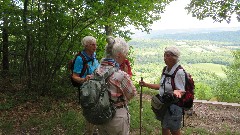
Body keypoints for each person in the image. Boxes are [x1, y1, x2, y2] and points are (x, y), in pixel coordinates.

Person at [139, 46, 185, 135]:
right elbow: (161, 86)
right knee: (164, 128)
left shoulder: (179, 72)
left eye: (167, 56)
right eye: (164, 55)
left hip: (174, 107)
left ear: (174, 58)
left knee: (175, 131)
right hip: (164, 105)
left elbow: (182, 91)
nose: (165, 58)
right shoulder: (165, 69)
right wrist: (146, 84)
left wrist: (171, 95)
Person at [96, 36, 137, 135]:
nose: (125, 57)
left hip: (100, 114)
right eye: (125, 54)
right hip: (117, 117)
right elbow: (132, 93)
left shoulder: (98, 70)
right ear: (118, 55)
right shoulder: (120, 75)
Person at [72, 36, 99, 135]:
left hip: (97, 88)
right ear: (86, 46)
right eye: (93, 44)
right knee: (89, 111)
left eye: (96, 44)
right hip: (86, 90)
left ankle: (94, 130)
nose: (95, 46)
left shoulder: (94, 55)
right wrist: (84, 79)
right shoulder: (80, 58)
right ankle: (89, 132)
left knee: (97, 109)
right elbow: (74, 76)